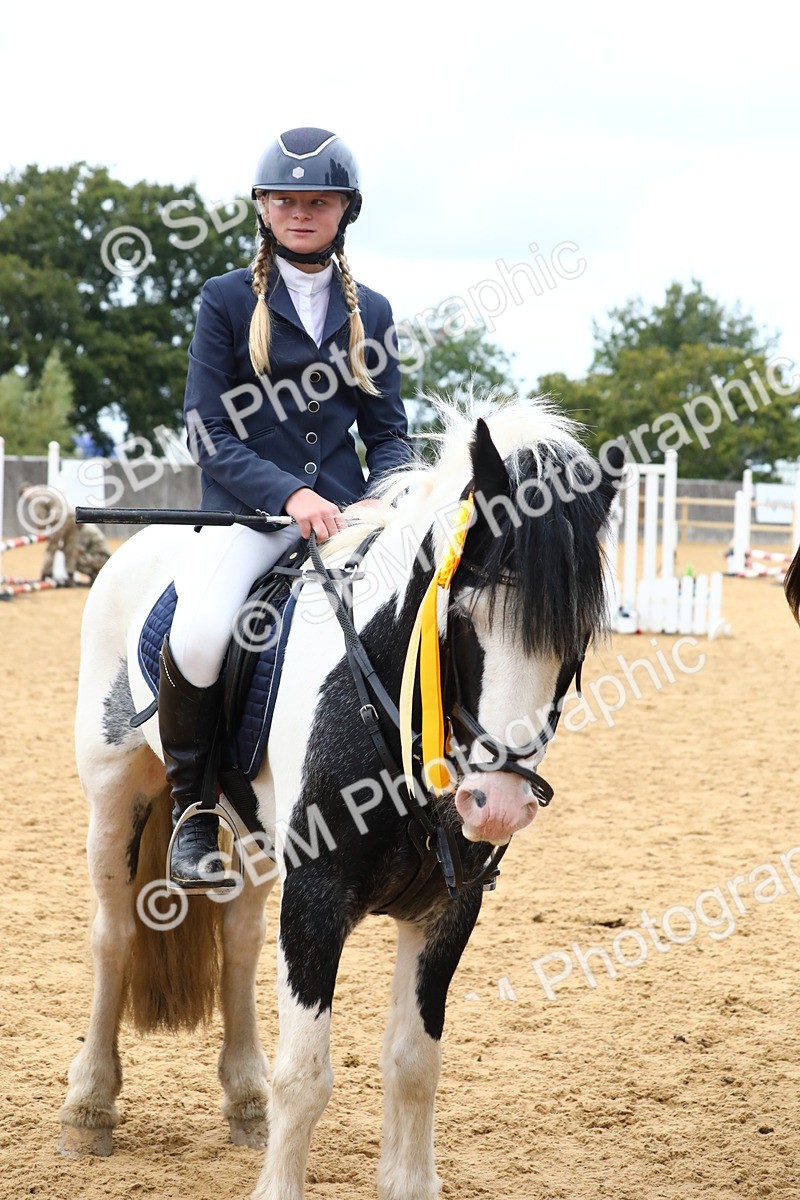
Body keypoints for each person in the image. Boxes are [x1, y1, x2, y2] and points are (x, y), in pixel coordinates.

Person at [159, 126, 412, 889]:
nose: (300, 212)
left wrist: (381, 497)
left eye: (317, 201)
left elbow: (390, 433)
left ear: (344, 211)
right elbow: (208, 427)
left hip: (345, 522)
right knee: (202, 633)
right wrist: (288, 493)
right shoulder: (227, 301)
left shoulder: (373, 308)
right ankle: (194, 813)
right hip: (248, 517)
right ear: (264, 209)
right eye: (285, 199)